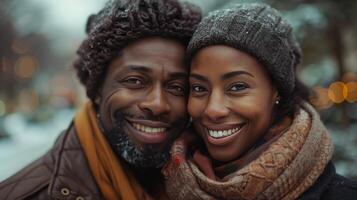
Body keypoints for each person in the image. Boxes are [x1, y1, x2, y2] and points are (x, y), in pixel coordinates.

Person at [0, 0, 201, 199]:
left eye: (177, 87)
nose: (158, 104)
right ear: (97, 90)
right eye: (134, 81)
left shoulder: (214, 183)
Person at [162, 3, 357, 200]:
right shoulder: (163, 184)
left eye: (237, 87)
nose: (213, 110)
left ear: (276, 91)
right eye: (199, 88)